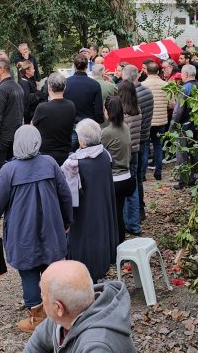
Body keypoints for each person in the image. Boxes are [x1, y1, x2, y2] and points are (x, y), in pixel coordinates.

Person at [0, 126, 73, 334]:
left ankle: (37, 318)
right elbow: (65, 195)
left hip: (22, 229)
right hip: (51, 226)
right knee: (52, 270)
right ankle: (58, 312)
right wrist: (67, 220)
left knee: (29, 272)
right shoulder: (50, 163)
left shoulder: (9, 170)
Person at [23, 260, 137, 353]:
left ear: (59, 308)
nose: (43, 301)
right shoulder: (63, 318)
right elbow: (36, 345)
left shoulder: (97, 346)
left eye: (43, 296)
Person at [62, 120, 117, 281]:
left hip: (82, 213)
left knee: (82, 245)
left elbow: (67, 195)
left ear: (81, 140)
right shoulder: (105, 155)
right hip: (102, 208)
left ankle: (82, 278)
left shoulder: (73, 164)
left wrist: (66, 218)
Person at [122, 65, 152, 234]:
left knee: (128, 184)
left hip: (128, 148)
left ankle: (129, 220)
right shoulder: (140, 104)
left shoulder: (124, 109)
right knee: (135, 181)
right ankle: (136, 216)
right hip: (139, 142)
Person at [102, 97, 135, 247]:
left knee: (111, 216)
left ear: (108, 112)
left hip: (114, 179)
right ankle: (120, 243)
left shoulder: (107, 132)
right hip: (126, 177)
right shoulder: (125, 127)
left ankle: (114, 247)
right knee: (119, 214)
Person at [0, 56, 24, 182]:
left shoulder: (1, 90)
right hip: (16, 135)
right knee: (14, 169)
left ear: (2, 69)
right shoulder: (18, 87)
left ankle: (0, 200)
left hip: (2, 137)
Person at [31, 73, 76, 165]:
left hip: (46, 153)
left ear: (49, 87)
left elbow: (32, 127)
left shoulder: (42, 107)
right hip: (65, 152)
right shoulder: (71, 105)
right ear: (65, 87)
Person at [172, 65, 198, 188]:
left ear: (185, 74)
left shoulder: (184, 89)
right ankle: (194, 178)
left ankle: (183, 180)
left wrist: (172, 127)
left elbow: (178, 111)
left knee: (182, 154)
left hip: (184, 127)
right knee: (196, 153)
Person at [140, 62, 169, 181]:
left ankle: (142, 174)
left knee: (145, 146)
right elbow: (171, 103)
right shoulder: (165, 85)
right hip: (161, 120)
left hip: (146, 120)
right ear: (158, 71)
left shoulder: (142, 85)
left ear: (146, 71)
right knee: (158, 145)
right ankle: (158, 172)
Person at [64, 54, 104, 127]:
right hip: (88, 124)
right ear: (87, 66)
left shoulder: (65, 83)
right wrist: (100, 121)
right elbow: (99, 110)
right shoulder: (94, 84)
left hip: (70, 124)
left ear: (74, 66)